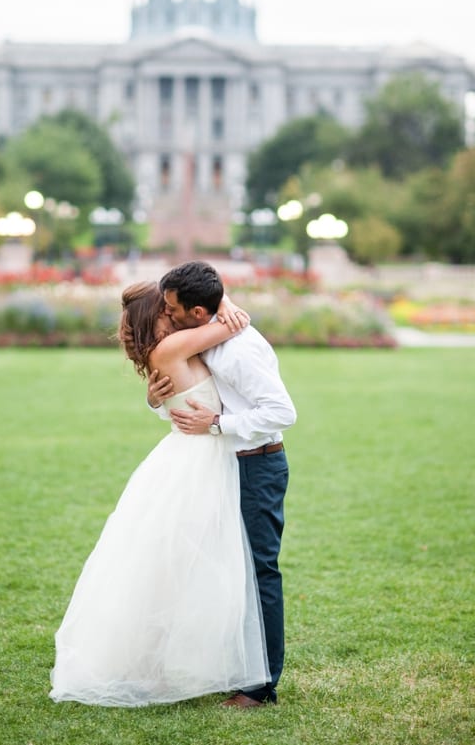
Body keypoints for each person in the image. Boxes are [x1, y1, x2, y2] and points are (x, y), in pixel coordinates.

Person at [49, 281, 270, 707]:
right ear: (160, 315)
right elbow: (230, 324)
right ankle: (172, 665)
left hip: (191, 456)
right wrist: (225, 300)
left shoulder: (168, 349)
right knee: (189, 567)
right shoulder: (174, 347)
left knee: (177, 567)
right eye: (170, 309)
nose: (178, 312)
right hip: (199, 462)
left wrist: (155, 403)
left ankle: (174, 663)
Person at [148, 261, 296, 708]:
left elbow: (281, 412)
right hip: (221, 466)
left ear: (196, 312)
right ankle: (232, 667)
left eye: (173, 309)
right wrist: (157, 400)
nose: (167, 315)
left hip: (257, 467)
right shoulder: (208, 334)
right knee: (222, 569)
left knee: (258, 572)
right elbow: (191, 407)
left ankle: (261, 685)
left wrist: (217, 424)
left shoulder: (239, 349)